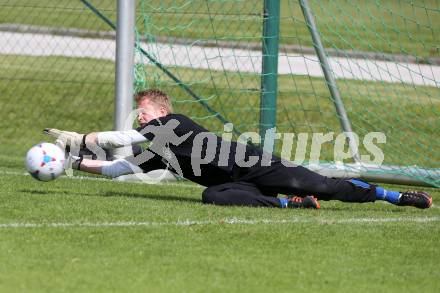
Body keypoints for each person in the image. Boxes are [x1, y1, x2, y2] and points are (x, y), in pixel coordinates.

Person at [44, 89, 432, 209]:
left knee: (327, 188)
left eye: (143, 113)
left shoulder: (172, 124)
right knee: (210, 196)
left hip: (257, 166)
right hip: (238, 184)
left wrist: (78, 139)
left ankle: (392, 196)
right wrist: (74, 163)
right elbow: (116, 169)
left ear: (162, 111)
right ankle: (286, 205)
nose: (140, 118)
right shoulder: (157, 149)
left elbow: (118, 141)